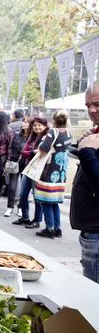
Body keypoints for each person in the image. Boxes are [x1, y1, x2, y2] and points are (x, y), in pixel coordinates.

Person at [71, 83, 99, 283]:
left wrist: (88, 153)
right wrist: (82, 147)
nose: (91, 110)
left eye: (97, 104)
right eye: (88, 105)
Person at [33, 110, 72, 238]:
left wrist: (41, 143)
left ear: (54, 120)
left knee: (46, 201)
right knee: (54, 201)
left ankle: (49, 229)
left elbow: (43, 149)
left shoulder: (52, 132)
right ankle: (58, 227)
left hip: (49, 172)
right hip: (61, 173)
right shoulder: (68, 133)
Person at [13, 116, 48, 228]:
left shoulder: (47, 138)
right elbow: (24, 152)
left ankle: (37, 220)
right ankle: (25, 216)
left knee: (37, 196)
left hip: (38, 170)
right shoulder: (32, 137)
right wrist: (34, 151)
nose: (37, 127)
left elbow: (43, 153)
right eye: (35, 125)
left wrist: (33, 152)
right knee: (23, 194)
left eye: (39, 125)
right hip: (28, 168)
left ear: (44, 126)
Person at [4, 110, 26, 217]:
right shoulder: (17, 135)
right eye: (24, 122)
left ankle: (21, 208)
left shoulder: (32, 137)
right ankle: (10, 207)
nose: (24, 124)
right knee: (12, 187)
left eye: (27, 123)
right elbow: (10, 147)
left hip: (26, 164)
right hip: (14, 163)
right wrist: (9, 159)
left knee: (23, 188)